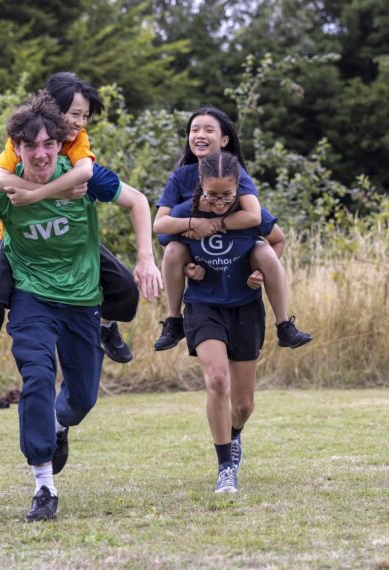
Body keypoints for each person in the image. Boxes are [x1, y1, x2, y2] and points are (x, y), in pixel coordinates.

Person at [0, 92, 159, 521]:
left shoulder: (83, 179)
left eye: (48, 143)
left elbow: (138, 201)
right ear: (16, 148)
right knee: (37, 377)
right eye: (30, 146)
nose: (40, 153)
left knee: (82, 399)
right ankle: (44, 485)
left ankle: (56, 426)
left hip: (83, 299)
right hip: (31, 298)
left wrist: (145, 257)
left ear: (59, 144)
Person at [0, 72, 158, 408]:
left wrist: (146, 257)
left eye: (85, 115)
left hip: (68, 239)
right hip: (21, 243)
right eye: (74, 114)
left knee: (123, 285)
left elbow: (87, 174)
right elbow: (1, 179)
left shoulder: (78, 140)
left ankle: (105, 326)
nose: (79, 122)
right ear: (52, 110)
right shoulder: (27, 136)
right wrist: (37, 196)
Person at [154, 151, 284, 493]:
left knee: (244, 405)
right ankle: (225, 466)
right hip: (203, 305)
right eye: (213, 195)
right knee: (216, 379)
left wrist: (259, 273)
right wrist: (187, 268)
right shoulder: (187, 211)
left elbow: (278, 240)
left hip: (244, 306)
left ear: (238, 188)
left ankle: (234, 435)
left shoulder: (250, 213)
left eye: (227, 195)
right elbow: (167, 238)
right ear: (201, 187)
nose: (221, 202)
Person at [152, 107, 311, 351]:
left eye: (208, 130)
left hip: (238, 258)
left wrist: (215, 225)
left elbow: (254, 216)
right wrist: (194, 224)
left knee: (265, 251)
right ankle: (174, 321)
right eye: (194, 130)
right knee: (173, 249)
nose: (200, 135)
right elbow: (161, 228)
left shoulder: (237, 174)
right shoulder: (181, 178)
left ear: (224, 140)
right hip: (198, 256)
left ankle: (284, 325)